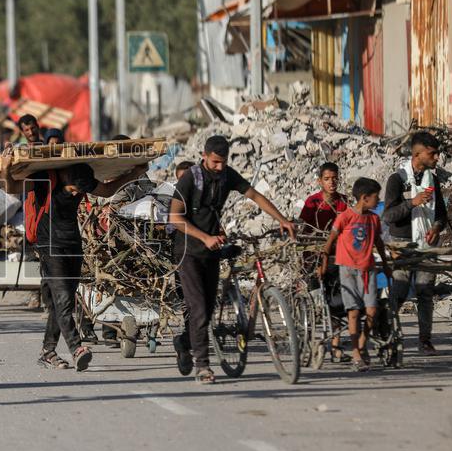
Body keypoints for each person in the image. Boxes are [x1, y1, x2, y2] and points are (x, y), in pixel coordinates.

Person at [168, 135, 296, 384]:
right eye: (215, 162)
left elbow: (255, 196)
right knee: (200, 310)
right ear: (204, 156)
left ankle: (184, 343)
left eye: (223, 162)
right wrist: (204, 237)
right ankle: (202, 366)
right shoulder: (189, 179)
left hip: (212, 251)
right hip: (188, 252)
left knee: (206, 309)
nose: (219, 167)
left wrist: (282, 219)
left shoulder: (228, 176)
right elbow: (175, 218)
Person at [9, 158, 148, 371]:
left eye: (79, 192)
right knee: (63, 299)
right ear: (65, 177)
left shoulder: (82, 177)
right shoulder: (44, 179)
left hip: (73, 245)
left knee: (61, 302)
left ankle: (48, 352)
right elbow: (12, 187)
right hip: (49, 247)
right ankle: (77, 348)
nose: (75, 195)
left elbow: (108, 189)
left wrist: (136, 172)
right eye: (73, 190)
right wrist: (4, 169)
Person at [382, 131, 448, 356]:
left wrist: (437, 228)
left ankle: (425, 340)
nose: (437, 157)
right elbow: (389, 216)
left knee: (425, 292)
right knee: (399, 290)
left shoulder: (433, 180)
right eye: (432, 153)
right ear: (417, 154)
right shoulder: (397, 180)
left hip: (427, 245)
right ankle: (388, 333)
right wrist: (412, 202)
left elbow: (441, 214)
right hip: (402, 244)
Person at [318, 178, 392, 371]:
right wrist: (324, 263)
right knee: (353, 312)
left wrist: (385, 264)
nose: (378, 201)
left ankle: (360, 342)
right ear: (365, 198)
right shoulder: (345, 217)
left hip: (368, 269)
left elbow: (378, 243)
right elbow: (330, 241)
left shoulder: (374, 219)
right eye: (376, 197)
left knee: (372, 310)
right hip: (348, 270)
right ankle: (357, 353)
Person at [298, 161, 349, 360]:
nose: (332, 182)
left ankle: (336, 346)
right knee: (313, 302)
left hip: (336, 257)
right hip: (312, 257)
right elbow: (304, 230)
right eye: (327, 179)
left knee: (336, 301)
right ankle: (310, 343)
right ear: (320, 181)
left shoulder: (343, 201)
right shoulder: (312, 202)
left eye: (335, 178)